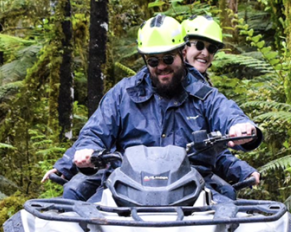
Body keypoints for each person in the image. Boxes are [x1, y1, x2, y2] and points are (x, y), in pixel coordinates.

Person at [43, 14, 261, 202]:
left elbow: (227, 115)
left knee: (232, 217)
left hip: (193, 191)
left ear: (182, 53)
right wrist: (84, 153)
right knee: (77, 220)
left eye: (168, 58)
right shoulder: (123, 93)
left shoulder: (204, 96)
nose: (161, 66)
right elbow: (96, 130)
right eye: (153, 62)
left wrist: (242, 128)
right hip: (124, 190)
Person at [181, 14, 261, 191]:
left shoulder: (206, 94)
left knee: (226, 197)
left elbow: (212, 151)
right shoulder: (143, 87)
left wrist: (241, 170)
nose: (205, 53)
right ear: (183, 48)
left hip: (193, 184)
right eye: (199, 45)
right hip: (149, 185)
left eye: (212, 49)